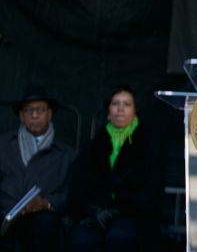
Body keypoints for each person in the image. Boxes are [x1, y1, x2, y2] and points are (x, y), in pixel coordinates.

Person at [66, 86, 164, 252]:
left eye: (126, 104)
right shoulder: (92, 145)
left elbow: (151, 191)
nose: (120, 109)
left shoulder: (148, 145)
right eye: (115, 103)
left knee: (121, 238)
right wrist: (93, 211)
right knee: (82, 241)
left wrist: (117, 210)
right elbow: (78, 186)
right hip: (94, 214)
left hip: (132, 216)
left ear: (135, 110)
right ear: (108, 110)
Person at [0, 84, 74, 252]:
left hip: (42, 221)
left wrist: (46, 203)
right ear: (21, 116)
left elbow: (69, 195)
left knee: (46, 223)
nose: (34, 115)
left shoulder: (65, 154)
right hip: (6, 216)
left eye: (40, 110)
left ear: (49, 114)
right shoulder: (3, 145)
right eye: (28, 110)